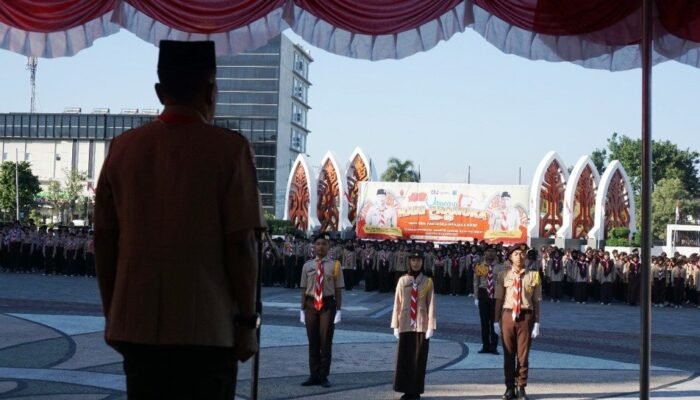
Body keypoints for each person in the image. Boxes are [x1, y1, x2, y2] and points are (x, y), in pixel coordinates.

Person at [94, 40, 263, 400]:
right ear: (211, 91)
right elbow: (241, 246)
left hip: (135, 326)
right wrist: (248, 323)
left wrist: (114, 314)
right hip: (207, 329)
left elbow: (105, 242)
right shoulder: (230, 150)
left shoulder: (121, 149)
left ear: (159, 92)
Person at [495, 243, 542, 400]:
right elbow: (499, 299)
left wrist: (537, 323)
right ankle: (509, 387)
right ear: (510, 257)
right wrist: (496, 321)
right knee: (508, 354)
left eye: (523, 254)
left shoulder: (533, 275)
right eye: (516, 254)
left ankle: (521, 387)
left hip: (525, 316)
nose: (520, 256)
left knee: (523, 355)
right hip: (508, 316)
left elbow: (536, 301)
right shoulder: (503, 275)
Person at [299, 233, 345, 388]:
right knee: (313, 341)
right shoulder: (307, 265)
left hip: (327, 304)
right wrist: (301, 309)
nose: (321, 247)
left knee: (325, 342)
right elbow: (303, 288)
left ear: (328, 247)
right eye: (318, 244)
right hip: (311, 304)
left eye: (324, 244)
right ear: (314, 246)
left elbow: (338, 290)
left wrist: (339, 309)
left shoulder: (335, 265)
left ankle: (324, 375)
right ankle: (313, 374)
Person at [391, 250, 436, 400]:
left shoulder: (428, 281)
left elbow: (431, 304)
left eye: (419, 260)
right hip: (405, 324)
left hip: (421, 325)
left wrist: (431, 326)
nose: (416, 263)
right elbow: (397, 303)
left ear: (423, 262)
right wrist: (395, 325)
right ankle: (405, 389)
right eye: (413, 260)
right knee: (404, 358)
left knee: (418, 358)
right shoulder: (403, 280)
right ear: (409, 262)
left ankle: (415, 390)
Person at [474, 245, 506, 354]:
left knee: (495, 321)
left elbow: (504, 282)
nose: (491, 253)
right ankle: (485, 346)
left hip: (496, 294)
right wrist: (476, 297)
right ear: (485, 253)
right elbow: (476, 282)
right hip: (483, 293)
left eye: (493, 251)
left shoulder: (501, 266)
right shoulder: (480, 266)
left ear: (496, 253)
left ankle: (494, 346)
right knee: (484, 322)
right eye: (488, 251)